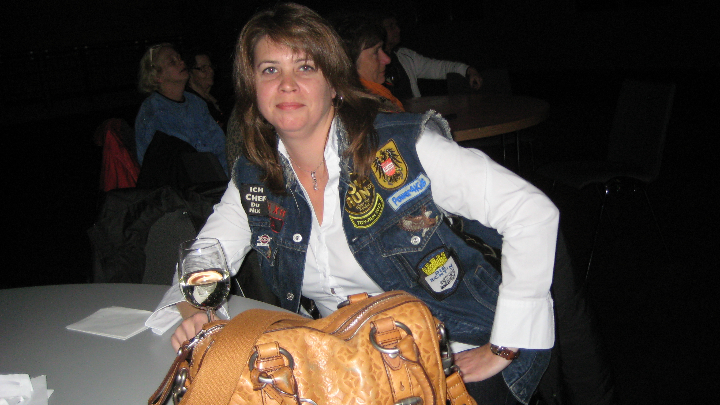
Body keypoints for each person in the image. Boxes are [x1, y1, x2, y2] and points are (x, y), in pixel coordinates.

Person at [147, 4, 559, 405]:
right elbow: (202, 262)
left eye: (305, 67)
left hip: (453, 350)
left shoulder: (403, 148)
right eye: (270, 70)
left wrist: (505, 345)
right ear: (253, 88)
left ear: (334, 83)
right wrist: (193, 312)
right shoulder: (257, 179)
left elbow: (531, 212)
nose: (286, 84)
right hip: (350, 369)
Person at [135, 43, 228, 173]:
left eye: (179, 58)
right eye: (172, 62)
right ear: (157, 76)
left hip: (215, 176)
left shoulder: (196, 103)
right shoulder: (153, 111)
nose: (181, 62)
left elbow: (220, 145)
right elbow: (159, 166)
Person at [381, 15, 483, 100]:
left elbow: (439, 68)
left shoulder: (405, 56)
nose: (398, 30)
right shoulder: (372, 62)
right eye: (391, 26)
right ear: (379, 30)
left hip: (410, 115)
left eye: (396, 25)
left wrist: (468, 70)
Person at [332, 13, 405, 112]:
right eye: (376, 52)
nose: (387, 59)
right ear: (349, 61)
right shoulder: (364, 110)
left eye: (382, 49)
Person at [184, 49, 227, 130]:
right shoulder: (191, 105)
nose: (211, 71)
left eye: (210, 66)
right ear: (190, 73)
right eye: (203, 68)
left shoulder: (216, 96)